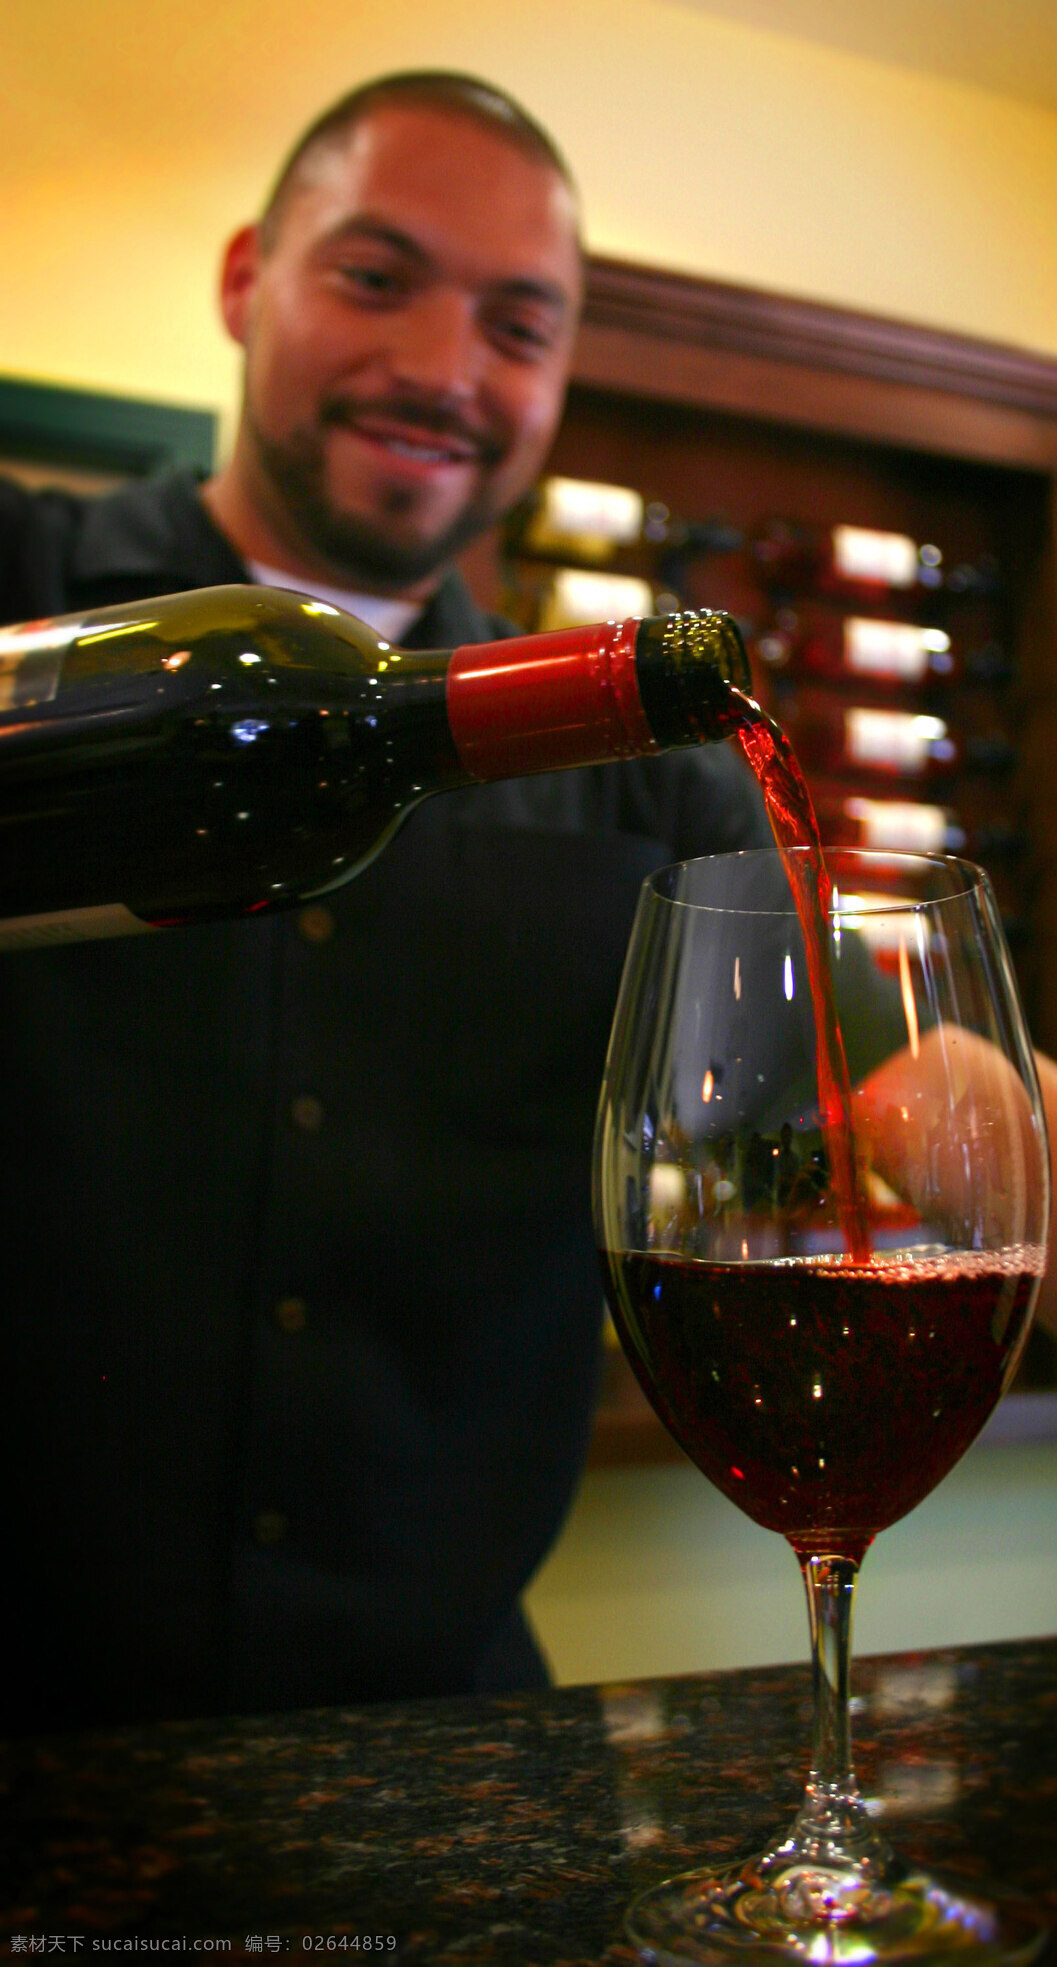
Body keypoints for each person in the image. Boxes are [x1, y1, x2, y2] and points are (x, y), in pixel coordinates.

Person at [0, 72, 771, 1734]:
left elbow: (902, 1081)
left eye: (520, 322)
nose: (441, 367)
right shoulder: (18, 599)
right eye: (376, 277)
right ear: (240, 279)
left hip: (455, 1766)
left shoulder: (643, 774)